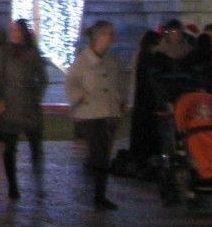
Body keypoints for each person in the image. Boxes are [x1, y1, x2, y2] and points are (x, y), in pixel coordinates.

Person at [64, 20, 127, 211]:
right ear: (98, 36)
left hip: (110, 112)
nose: (112, 37)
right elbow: (71, 83)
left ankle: (99, 191)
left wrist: (121, 100)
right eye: (109, 33)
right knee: (100, 154)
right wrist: (79, 96)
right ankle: (98, 194)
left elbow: (121, 82)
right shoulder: (83, 61)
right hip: (90, 114)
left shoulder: (112, 60)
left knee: (104, 153)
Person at [0, 18, 48, 199]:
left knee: (36, 146)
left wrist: (36, 96)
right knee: (10, 147)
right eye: (11, 30)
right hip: (10, 105)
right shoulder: (4, 52)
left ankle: (38, 182)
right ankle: (13, 187)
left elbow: (43, 78)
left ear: (23, 33)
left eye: (16, 31)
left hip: (30, 107)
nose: (13, 33)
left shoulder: (32, 52)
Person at [126, 27, 166, 167]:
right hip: (149, 100)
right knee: (149, 129)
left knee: (141, 129)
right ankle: (146, 158)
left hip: (141, 100)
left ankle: (140, 157)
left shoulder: (141, 56)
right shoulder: (151, 59)